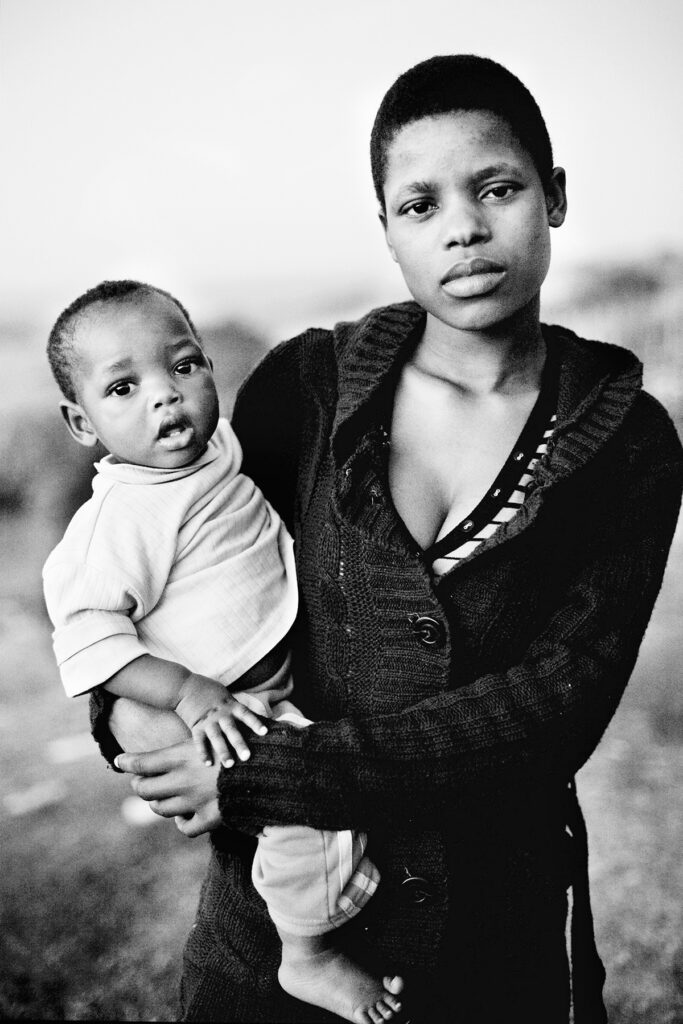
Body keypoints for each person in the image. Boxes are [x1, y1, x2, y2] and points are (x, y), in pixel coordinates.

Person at [105, 54, 682, 1023]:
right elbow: (176, 560)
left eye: (495, 187)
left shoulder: (624, 441)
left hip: (487, 941)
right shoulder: (310, 387)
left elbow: (551, 707)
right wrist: (135, 723)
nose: (461, 226)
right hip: (268, 946)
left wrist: (260, 775)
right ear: (386, 230)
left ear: (554, 195)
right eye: (418, 206)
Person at [42, 280, 405, 1024]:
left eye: (182, 367)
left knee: (319, 794)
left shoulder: (217, 448)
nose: (165, 398)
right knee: (308, 806)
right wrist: (182, 693)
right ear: (82, 423)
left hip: (262, 682)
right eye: (123, 387)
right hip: (221, 708)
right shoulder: (123, 518)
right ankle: (308, 953)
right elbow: (87, 635)